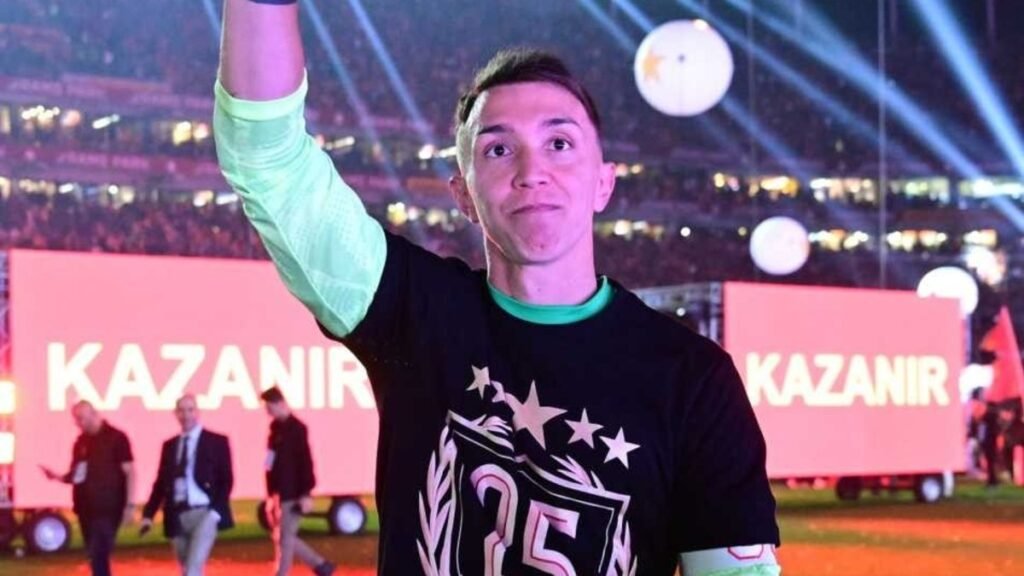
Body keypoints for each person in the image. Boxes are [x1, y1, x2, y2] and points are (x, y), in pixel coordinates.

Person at [214, 1, 780, 574]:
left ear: (603, 183)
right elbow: (268, 161)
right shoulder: (412, 312)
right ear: (463, 194)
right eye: (498, 149)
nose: (531, 172)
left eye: (559, 144)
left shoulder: (693, 379)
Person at [140, 394, 234, 576]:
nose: (186, 415)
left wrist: (215, 512)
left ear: (197, 412)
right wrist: (148, 515)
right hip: (176, 515)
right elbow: (161, 483)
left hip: (204, 513)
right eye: (181, 411)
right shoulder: (169, 446)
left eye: (190, 410)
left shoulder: (216, 442)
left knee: (192, 569)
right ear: (175, 414)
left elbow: (226, 480)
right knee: (187, 569)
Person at [41, 401, 135, 576]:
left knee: (99, 552)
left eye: (81, 418)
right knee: (94, 555)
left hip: (108, 507)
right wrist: (58, 477)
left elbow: (129, 472)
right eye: (76, 419)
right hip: (85, 508)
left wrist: (130, 505)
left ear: (94, 414)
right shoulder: (81, 442)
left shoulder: (116, 438)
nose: (78, 423)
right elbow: (77, 474)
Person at [260, 387, 335, 576]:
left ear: (279, 403)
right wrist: (270, 494)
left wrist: (306, 493)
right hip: (279, 494)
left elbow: (305, 462)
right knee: (284, 536)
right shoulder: (275, 430)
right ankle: (321, 565)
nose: (267, 411)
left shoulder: (297, 429)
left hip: (293, 493)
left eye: (269, 407)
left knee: (285, 537)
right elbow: (270, 464)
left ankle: (283, 573)